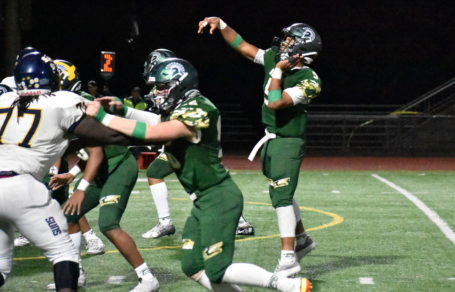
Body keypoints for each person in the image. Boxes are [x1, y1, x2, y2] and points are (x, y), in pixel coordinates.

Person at [87, 57, 312, 291]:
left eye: (162, 87)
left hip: (218, 198)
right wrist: (124, 110)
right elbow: (156, 120)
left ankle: (288, 285)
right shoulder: (182, 108)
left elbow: (154, 132)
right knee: (192, 266)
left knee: (217, 269)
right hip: (203, 202)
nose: (156, 92)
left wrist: (104, 117)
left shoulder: (200, 108)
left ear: (180, 84)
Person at [0, 50, 135, 292]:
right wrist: (156, 132)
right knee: (64, 253)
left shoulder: (3, 100)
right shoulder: (60, 101)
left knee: (0, 267)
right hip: (20, 186)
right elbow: (109, 136)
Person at [198, 17, 322, 276]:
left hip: (288, 142)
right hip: (271, 139)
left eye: (290, 41)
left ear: (301, 51)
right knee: (281, 193)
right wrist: (221, 24)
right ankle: (302, 240)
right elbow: (242, 46)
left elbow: (275, 103)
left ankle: (289, 258)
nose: (283, 43)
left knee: (281, 197)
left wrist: (277, 71)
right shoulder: (275, 59)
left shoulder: (309, 79)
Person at [48, 60, 160, 292]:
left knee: (108, 223)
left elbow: (97, 152)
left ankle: (147, 278)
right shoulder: (63, 104)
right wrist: (72, 173)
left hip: (117, 165)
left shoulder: (78, 104)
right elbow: (88, 151)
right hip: (99, 168)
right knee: (66, 217)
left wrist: (80, 187)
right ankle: (75, 274)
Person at [140, 48, 255, 239]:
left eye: (161, 85)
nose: (156, 90)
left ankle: (237, 221)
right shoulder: (171, 95)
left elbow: (158, 129)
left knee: (201, 181)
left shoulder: (193, 102)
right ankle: (166, 222)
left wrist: (111, 120)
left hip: (195, 148)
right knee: (159, 172)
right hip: (180, 145)